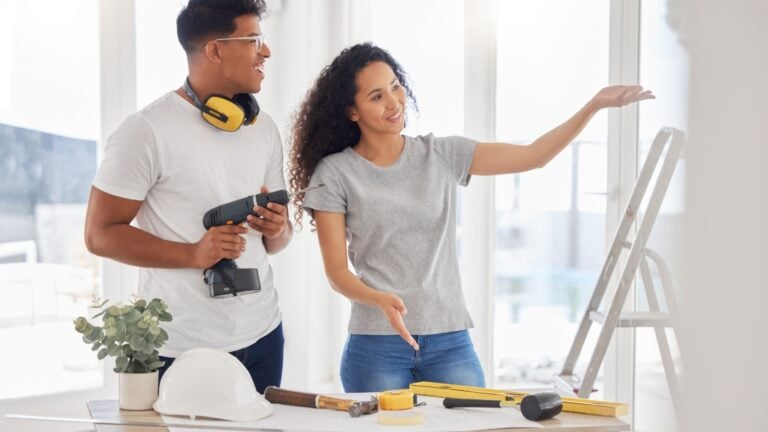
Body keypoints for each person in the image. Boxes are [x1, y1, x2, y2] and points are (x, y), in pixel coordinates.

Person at [289, 42, 654, 392]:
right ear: (352, 111)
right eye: (376, 96)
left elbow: (534, 156)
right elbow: (337, 273)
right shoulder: (334, 173)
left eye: (395, 87)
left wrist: (593, 106)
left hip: (449, 340)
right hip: (376, 345)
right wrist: (378, 298)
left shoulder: (442, 154)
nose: (394, 102)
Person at [84, 0, 291, 393]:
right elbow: (99, 234)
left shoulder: (263, 128)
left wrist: (277, 228)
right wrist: (193, 254)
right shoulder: (145, 132)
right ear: (215, 49)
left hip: (264, 337)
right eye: (254, 40)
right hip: (182, 349)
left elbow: (277, 243)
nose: (266, 51)